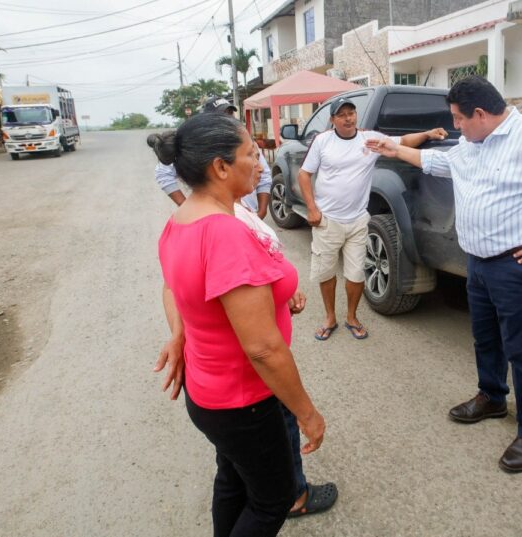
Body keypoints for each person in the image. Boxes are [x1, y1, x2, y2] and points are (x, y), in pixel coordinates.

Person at [367, 76, 522, 473]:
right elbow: (442, 162)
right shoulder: (473, 142)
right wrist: (393, 149)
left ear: (480, 113)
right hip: (478, 264)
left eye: (458, 119)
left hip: (521, 267)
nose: (455, 127)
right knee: (485, 338)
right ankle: (493, 397)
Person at [150, 114, 326, 536]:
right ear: (220, 167)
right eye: (251, 155)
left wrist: (181, 332)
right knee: (273, 499)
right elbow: (262, 348)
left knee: (232, 478)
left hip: (210, 394)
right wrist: (307, 411)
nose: (261, 165)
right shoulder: (224, 233)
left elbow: (173, 289)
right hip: (244, 399)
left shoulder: (182, 220)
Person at [298, 96, 448, 341]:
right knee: (326, 273)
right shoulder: (322, 141)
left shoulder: (370, 139)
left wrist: (428, 133)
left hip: (357, 221)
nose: (348, 118)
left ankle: (351, 317)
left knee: (356, 275)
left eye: (351, 113)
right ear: (332, 119)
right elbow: (304, 175)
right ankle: (329, 317)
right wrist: (312, 209)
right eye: (342, 115)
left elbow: (403, 142)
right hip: (328, 221)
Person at [153, 96, 272, 218]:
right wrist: (185, 205)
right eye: (222, 116)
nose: (229, 119)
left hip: (248, 213)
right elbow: (163, 173)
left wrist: (262, 211)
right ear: (220, 166)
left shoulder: (246, 143)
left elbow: (264, 175)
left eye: (230, 113)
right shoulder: (199, 148)